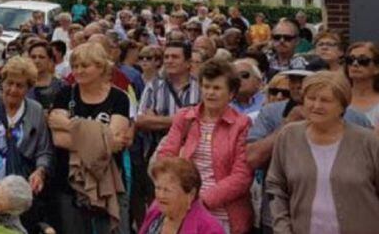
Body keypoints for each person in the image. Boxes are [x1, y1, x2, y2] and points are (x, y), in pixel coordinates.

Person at [267, 71, 379, 234]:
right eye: (311, 98)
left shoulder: (368, 141)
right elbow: (276, 186)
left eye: (326, 100)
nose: (316, 106)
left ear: (342, 105)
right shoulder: (289, 136)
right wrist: (283, 228)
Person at [155, 59, 253, 234]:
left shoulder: (242, 124)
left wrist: (201, 200)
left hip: (223, 213)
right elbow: (165, 157)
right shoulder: (184, 117)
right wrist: (180, 195)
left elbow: (242, 176)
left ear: (231, 93)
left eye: (216, 88)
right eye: (206, 87)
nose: (210, 93)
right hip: (182, 205)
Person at [47, 42, 132, 234]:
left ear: (101, 67)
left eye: (85, 66)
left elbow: (114, 142)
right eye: (75, 66)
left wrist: (70, 126)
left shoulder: (119, 98)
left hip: (107, 181)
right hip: (69, 182)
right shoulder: (64, 94)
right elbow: (58, 140)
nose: (78, 71)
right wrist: (99, 135)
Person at [0, 56, 52, 231]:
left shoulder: (35, 110)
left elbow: (44, 150)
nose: (13, 89)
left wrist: (40, 171)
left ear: (29, 88)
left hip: (18, 194)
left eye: (20, 85)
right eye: (9, 83)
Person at [137, 157, 224, 234]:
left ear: (191, 194)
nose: (160, 195)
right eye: (158, 188)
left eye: (167, 190)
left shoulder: (209, 228)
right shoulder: (155, 211)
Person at [343, 41, 379, 126]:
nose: (355, 64)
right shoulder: (337, 97)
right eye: (350, 60)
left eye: (363, 60)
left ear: (377, 68)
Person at [28, 40, 65, 109]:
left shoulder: (61, 86)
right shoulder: (21, 84)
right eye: (33, 57)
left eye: (41, 57)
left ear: (50, 60)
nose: (37, 61)